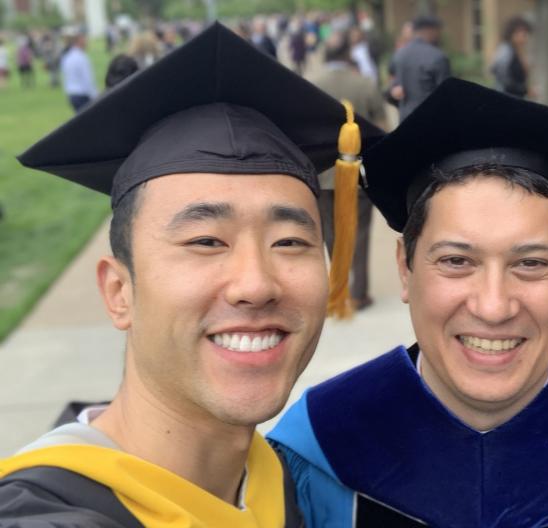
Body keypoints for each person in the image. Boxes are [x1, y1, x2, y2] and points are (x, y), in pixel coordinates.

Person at [269, 78, 548, 527]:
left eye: (531, 263)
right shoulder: (317, 453)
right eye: (457, 260)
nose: (494, 307)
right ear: (405, 268)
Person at [0, 22, 382, 526]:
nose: (257, 284)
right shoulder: (46, 513)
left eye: (289, 242)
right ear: (119, 292)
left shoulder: (286, 482)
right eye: (206, 241)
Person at [308, 31, 387, 311]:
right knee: (359, 232)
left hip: (324, 171)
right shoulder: (365, 84)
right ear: (347, 56)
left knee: (330, 232)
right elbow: (381, 128)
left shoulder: (312, 85)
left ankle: (337, 288)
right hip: (357, 168)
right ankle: (359, 293)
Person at [388, 15, 450, 121]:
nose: (439, 35)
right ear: (430, 30)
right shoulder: (438, 57)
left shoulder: (399, 54)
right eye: (438, 31)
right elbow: (446, 93)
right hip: (430, 119)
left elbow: (394, 84)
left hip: (405, 118)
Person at [491, 15, 532, 98]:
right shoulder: (505, 51)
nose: (524, 36)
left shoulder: (517, 50)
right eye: (520, 32)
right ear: (512, 33)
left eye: (525, 33)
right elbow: (503, 78)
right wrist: (525, 90)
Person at [60, 31, 98, 112]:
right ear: (79, 41)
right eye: (84, 40)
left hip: (71, 94)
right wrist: (95, 96)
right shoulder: (81, 57)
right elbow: (87, 79)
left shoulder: (67, 56)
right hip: (82, 94)